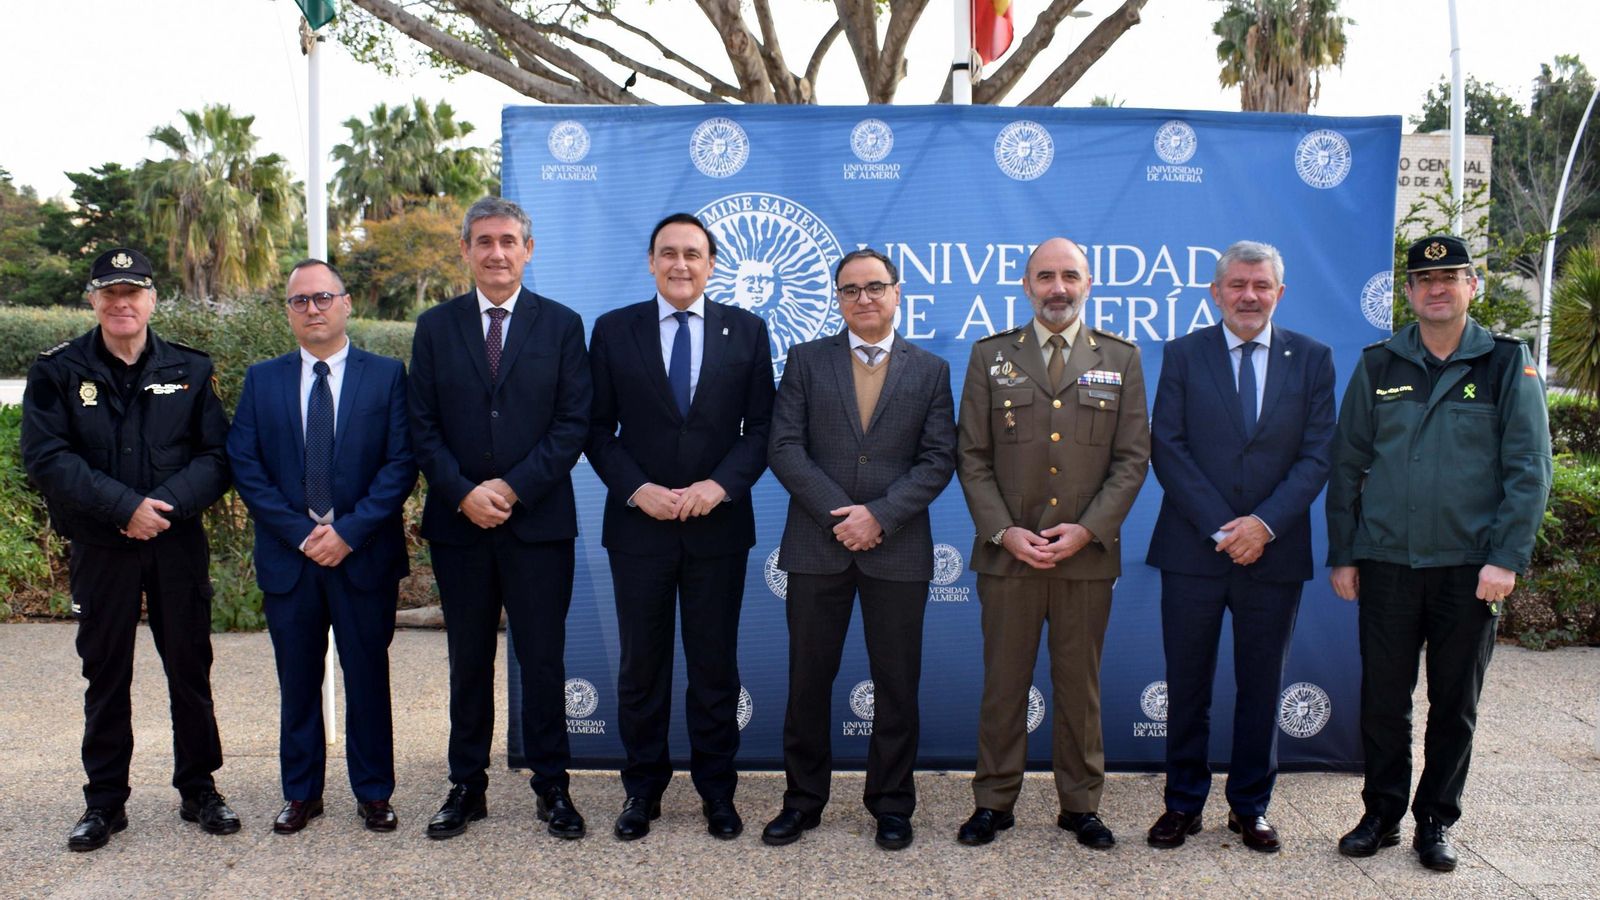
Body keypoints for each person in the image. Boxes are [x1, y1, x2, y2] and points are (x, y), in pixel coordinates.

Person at [1327, 234, 1552, 872]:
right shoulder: (1380, 364)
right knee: (1383, 700)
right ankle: (1381, 814)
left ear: (1471, 286)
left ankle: (1436, 821)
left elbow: (1529, 468)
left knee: (1454, 704)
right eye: (1425, 279)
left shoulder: (1505, 362)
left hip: (1469, 569)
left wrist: (1506, 557)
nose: (1437, 288)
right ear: (1408, 292)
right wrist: (1344, 553)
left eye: (1451, 277)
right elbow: (1347, 464)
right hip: (1388, 563)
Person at [22, 247, 238, 851]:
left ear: (151, 300)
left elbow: (217, 457)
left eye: (133, 292)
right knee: (105, 673)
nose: (122, 303)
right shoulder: (58, 370)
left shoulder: (190, 368)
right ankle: (104, 802)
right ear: (93, 300)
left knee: (190, 669)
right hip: (101, 546)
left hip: (174, 543)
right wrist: (124, 509)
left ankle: (200, 789)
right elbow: (47, 457)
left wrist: (159, 508)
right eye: (110, 293)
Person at [954, 237, 1150, 848]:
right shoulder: (990, 356)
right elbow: (971, 456)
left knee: (1079, 688)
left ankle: (1080, 805)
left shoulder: (1121, 357)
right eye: (1045, 276)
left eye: (1069, 275)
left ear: (1088, 283)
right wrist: (1003, 531)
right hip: (1007, 556)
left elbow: (1132, 459)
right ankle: (993, 802)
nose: (1057, 288)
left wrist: (1088, 530)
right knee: (1003, 685)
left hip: (1085, 558)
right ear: (1026, 285)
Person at [760, 248, 956, 852]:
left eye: (875, 287)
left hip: (897, 548)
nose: (863, 298)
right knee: (807, 683)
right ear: (838, 299)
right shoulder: (805, 360)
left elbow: (938, 458)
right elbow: (784, 447)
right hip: (818, 545)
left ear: (897, 292)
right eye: (850, 290)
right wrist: (842, 516)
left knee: (896, 685)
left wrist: (880, 516)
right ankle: (802, 801)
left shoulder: (931, 370)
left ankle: (892, 805)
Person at [586, 212, 774, 841]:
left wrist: (718, 487)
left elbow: (763, 429)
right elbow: (595, 428)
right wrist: (637, 490)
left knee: (714, 668)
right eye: (668, 253)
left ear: (712, 264)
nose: (680, 264)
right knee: (641, 669)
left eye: (693, 253)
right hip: (638, 529)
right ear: (650, 262)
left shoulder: (746, 330)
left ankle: (718, 793)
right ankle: (642, 791)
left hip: (718, 528)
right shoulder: (614, 330)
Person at [1143, 241, 1336, 852]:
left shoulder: (1313, 358)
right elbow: (1167, 446)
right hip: (1193, 551)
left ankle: (1250, 807)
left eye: (1261, 286)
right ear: (1216, 292)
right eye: (1237, 285)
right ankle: (1182, 804)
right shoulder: (1183, 354)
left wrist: (1263, 525)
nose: (1249, 296)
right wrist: (1224, 528)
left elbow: (1318, 453)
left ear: (1280, 293)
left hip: (1274, 553)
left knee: (1261, 688)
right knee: (1188, 685)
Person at [410, 197, 592, 840]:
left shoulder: (562, 325)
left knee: (542, 660)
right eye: (483, 241)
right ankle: (467, 785)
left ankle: (552, 786)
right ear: (465, 250)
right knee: (467, 661)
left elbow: (573, 423)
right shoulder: (435, 327)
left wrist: (512, 488)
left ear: (528, 250)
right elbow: (421, 425)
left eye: (508, 241)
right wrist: (463, 492)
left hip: (538, 524)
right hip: (459, 525)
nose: (496, 252)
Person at [226, 259, 417, 834]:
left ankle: (374, 793)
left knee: (367, 678)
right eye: (300, 300)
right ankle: (301, 793)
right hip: (292, 558)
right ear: (288, 311)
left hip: (363, 556)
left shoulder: (386, 376)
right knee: (298, 681)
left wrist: (348, 533)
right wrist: (302, 533)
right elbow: (245, 464)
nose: (312, 309)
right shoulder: (263, 379)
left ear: (346, 303)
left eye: (323, 297)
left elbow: (401, 463)